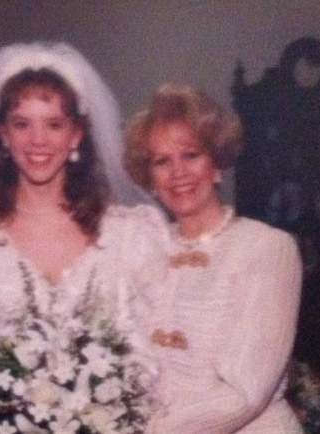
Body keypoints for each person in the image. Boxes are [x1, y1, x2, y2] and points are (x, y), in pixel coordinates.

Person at [0, 42, 163, 433]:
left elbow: (153, 351)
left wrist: (101, 413)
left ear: (76, 135)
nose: (37, 140)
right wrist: (9, 410)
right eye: (22, 124)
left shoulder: (128, 235)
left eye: (54, 124)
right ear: (3, 135)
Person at [124, 84, 304, 433]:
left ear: (217, 163)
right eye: (162, 161)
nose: (178, 172)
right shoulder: (143, 251)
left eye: (191, 155)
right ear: (150, 180)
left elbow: (246, 392)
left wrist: (150, 430)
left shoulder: (267, 248)